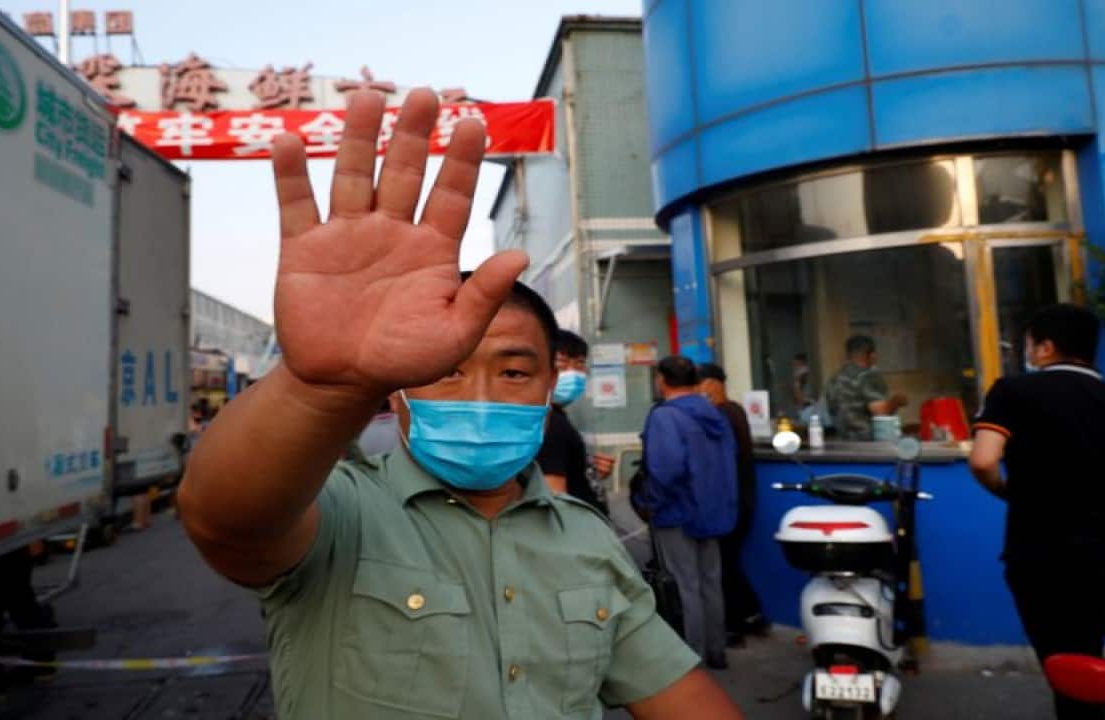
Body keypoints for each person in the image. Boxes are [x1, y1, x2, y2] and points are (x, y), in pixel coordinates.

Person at [176, 89, 740, 720]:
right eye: (445, 372)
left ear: (550, 386)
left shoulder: (587, 539)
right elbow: (224, 518)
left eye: (514, 370)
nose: (480, 398)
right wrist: (320, 387)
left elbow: (684, 699)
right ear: (398, 390)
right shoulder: (336, 511)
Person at [969, 304, 1105, 720]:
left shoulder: (1012, 392)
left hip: (1043, 559)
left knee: (1071, 672)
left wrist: (1010, 493)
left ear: (1045, 348)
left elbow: (983, 460)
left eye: (1030, 345)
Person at [636, 356, 738, 670]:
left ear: (661, 380)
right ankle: (716, 650)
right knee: (710, 582)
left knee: (684, 586)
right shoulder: (715, 414)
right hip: (713, 511)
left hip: (676, 512)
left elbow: (665, 469)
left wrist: (650, 501)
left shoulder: (665, 417)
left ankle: (692, 657)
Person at [697, 362, 769, 645]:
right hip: (741, 498)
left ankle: (739, 621)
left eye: (700, 384)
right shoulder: (734, 410)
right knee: (729, 561)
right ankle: (749, 616)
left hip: (732, 501)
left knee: (724, 563)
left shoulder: (723, 414)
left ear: (714, 383)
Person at [535, 329, 612, 514]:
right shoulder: (549, 423)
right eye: (562, 364)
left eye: (579, 364)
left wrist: (586, 469)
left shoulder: (557, 415)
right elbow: (555, 503)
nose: (573, 373)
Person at [825, 335, 908, 440]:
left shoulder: (834, 379)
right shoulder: (866, 376)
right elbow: (881, 411)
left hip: (843, 441)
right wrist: (898, 400)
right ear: (872, 355)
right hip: (869, 442)